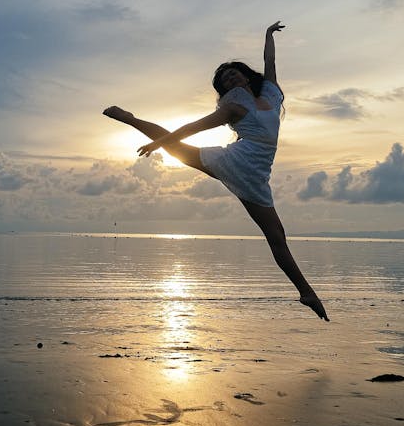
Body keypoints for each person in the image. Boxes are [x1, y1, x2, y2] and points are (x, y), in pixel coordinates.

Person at [103, 22, 329, 320]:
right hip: (237, 161)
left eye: (233, 72)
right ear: (225, 89)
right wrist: (159, 143)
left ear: (245, 75)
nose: (230, 78)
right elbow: (191, 128)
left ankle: (305, 293)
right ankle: (130, 119)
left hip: (259, 172)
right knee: (178, 147)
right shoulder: (233, 108)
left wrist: (267, 35)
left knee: (277, 235)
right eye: (224, 79)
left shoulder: (271, 94)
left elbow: (270, 62)